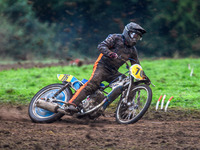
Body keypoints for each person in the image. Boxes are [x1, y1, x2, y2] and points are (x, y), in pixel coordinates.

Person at [68, 22, 148, 111]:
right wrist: (110, 53)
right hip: (102, 66)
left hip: (113, 72)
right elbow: (101, 46)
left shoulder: (133, 50)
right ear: (127, 32)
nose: (135, 38)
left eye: (138, 37)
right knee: (92, 85)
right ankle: (72, 104)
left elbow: (136, 65)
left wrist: (143, 77)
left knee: (128, 84)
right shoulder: (115, 38)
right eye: (134, 35)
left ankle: (125, 109)